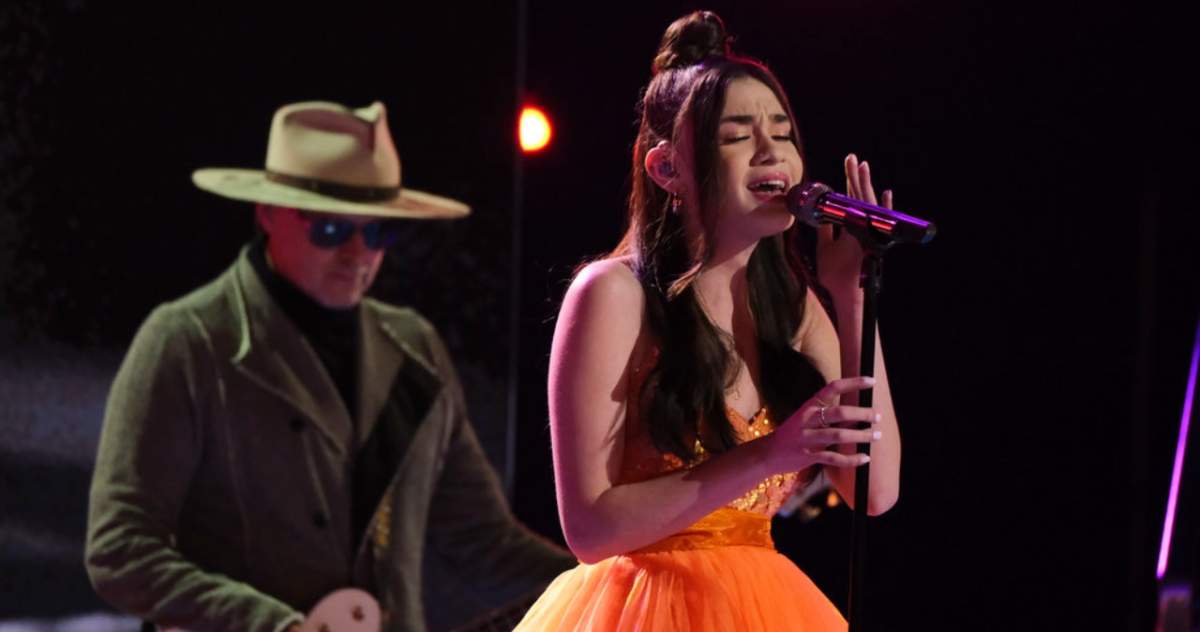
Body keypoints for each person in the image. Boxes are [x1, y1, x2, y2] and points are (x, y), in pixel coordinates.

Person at [85, 100, 573, 632]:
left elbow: (483, 540)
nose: (359, 253)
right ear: (267, 214)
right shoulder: (186, 341)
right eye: (332, 229)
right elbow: (119, 547)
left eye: (379, 232)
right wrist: (271, 625)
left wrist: (609, 582)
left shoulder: (416, 349)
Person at [513, 11, 902, 631]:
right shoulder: (614, 294)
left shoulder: (794, 308)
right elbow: (589, 529)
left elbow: (874, 492)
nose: (773, 152)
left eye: (783, 133)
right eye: (739, 136)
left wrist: (851, 295)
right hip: (643, 606)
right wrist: (769, 455)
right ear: (668, 169)